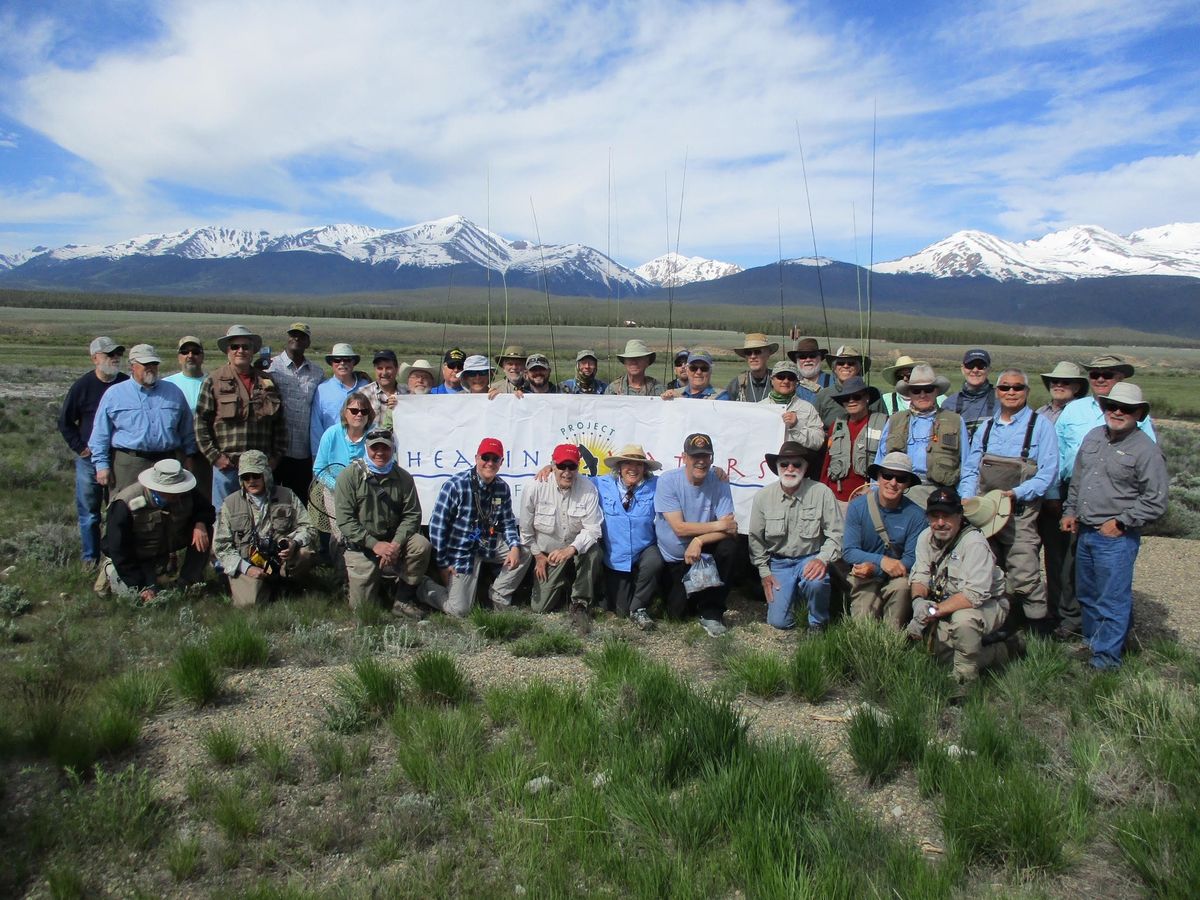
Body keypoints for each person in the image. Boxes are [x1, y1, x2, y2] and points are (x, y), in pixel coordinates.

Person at [1061, 383, 1168, 670]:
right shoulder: (1094, 436)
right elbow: (1078, 480)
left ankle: (1106, 661)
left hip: (1116, 537)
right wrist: (1070, 510)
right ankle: (1095, 645)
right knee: (1088, 595)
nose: (1117, 412)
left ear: (1139, 413)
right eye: (1112, 406)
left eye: (1126, 408)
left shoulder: (1146, 450)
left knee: (1112, 599)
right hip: (1085, 531)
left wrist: (1121, 522)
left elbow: (1155, 499)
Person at [1053, 354, 1156, 640]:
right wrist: (1068, 507)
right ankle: (1090, 638)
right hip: (1078, 505)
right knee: (1079, 579)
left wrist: (1122, 522)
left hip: (1116, 516)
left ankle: (1111, 652)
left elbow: (1152, 492)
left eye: (1107, 374)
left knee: (1111, 589)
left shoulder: (1143, 438)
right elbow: (1066, 458)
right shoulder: (1080, 418)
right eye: (1095, 374)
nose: (1100, 379)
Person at [959, 368, 1058, 630]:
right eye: (1005, 388)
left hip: (1020, 514)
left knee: (1024, 573)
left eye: (1017, 388)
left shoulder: (1040, 427)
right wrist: (967, 498)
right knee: (987, 571)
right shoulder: (987, 427)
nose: (1011, 392)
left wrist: (1017, 493)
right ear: (997, 391)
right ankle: (997, 627)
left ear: (1026, 392)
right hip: (986, 514)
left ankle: (1039, 631)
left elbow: (1048, 473)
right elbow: (971, 467)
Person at [908, 487, 1013, 700]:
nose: (940, 523)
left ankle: (965, 681)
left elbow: (973, 595)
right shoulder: (924, 538)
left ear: (959, 516)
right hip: (944, 604)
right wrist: (918, 602)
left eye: (946, 516)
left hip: (986, 604)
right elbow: (919, 575)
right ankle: (1000, 651)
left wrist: (932, 611)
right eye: (934, 516)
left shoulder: (974, 543)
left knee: (964, 620)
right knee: (940, 656)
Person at [334, 430, 443, 614]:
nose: (379, 452)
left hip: (393, 542)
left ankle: (403, 599)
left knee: (421, 545)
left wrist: (395, 544)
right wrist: (375, 545)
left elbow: (412, 515)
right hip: (362, 545)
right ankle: (359, 583)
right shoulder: (348, 476)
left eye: (385, 447)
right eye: (374, 447)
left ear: (392, 449)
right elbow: (345, 521)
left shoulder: (404, 478)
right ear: (366, 448)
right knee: (362, 611)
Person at [428, 438, 531, 616]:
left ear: (501, 462)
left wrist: (514, 546)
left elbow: (507, 522)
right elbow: (437, 527)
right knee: (459, 610)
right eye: (485, 457)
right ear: (476, 458)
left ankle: (498, 594)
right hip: (462, 549)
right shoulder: (456, 485)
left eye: (495, 459)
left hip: (489, 542)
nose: (490, 463)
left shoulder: (502, 488)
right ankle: (423, 586)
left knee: (526, 550)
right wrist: (443, 564)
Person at [749, 441, 843, 632]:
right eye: (784, 464)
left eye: (797, 464)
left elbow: (837, 534)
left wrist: (822, 560)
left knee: (817, 582)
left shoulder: (822, 492)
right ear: (777, 467)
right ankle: (797, 599)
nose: (790, 469)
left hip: (810, 558)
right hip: (779, 563)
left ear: (806, 467)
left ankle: (818, 622)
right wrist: (764, 572)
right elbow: (755, 539)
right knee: (778, 623)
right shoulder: (763, 497)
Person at [654, 433, 738, 636]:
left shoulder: (719, 480)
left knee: (730, 546)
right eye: (695, 456)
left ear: (712, 458)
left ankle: (712, 611)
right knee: (677, 614)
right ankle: (696, 598)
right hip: (675, 558)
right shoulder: (668, 481)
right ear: (684, 457)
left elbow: (732, 529)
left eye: (706, 456)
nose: (701, 461)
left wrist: (699, 540)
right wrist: (718, 524)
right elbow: (680, 528)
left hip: (702, 551)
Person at [195, 325, 288, 508]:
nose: (241, 351)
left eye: (246, 347)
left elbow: (280, 424)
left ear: (253, 351)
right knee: (223, 518)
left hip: (260, 466)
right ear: (227, 351)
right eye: (235, 347)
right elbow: (200, 423)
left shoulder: (267, 382)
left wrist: (275, 458)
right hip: (228, 465)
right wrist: (215, 457)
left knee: (262, 519)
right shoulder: (213, 381)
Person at [89, 344, 198, 493]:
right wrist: (102, 466)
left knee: (170, 511)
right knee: (125, 508)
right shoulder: (114, 394)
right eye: (145, 364)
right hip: (129, 464)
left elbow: (187, 430)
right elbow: (100, 433)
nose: (150, 368)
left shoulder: (173, 392)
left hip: (167, 462)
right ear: (132, 366)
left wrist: (190, 457)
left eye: (154, 364)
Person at [58, 336, 128, 566]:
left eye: (117, 354)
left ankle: (116, 560)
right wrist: (81, 448)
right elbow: (65, 421)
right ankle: (90, 560)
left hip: (119, 459)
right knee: (90, 514)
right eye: (109, 355)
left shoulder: (126, 384)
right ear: (94, 358)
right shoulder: (82, 387)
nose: (114, 358)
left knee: (120, 512)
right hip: (90, 463)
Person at [213, 450, 315, 607]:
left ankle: (292, 586)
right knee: (251, 603)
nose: (251, 481)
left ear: (266, 474)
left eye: (256, 475)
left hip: (282, 559)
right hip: (248, 562)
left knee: (304, 554)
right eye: (246, 477)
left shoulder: (287, 495)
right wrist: (246, 568)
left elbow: (308, 527)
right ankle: (262, 588)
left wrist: (294, 543)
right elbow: (221, 546)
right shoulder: (230, 504)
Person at [102, 459, 214, 602]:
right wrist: (139, 584)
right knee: (139, 598)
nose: (178, 494)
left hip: (165, 547)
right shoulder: (124, 503)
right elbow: (118, 548)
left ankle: (188, 580)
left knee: (205, 530)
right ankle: (110, 569)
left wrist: (200, 523)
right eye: (172, 491)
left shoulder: (187, 493)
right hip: (134, 557)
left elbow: (207, 510)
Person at [518, 443, 602, 626]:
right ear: (553, 465)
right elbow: (525, 528)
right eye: (561, 466)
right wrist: (538, 555)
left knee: (594, 551)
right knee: (539, 607)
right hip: (548, 554)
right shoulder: (535, 486)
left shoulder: (588, 489)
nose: (567, 472)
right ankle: (563, 585)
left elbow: (593, 529)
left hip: (575, 549)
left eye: (572, 466)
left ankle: (580, 603)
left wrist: (571, 549)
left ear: (578, 467)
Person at [841, 452, 926, 629]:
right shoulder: (858, 507)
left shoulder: (917, 516)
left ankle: (893, 639)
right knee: (862, 629)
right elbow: (849, 551)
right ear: (878, 478)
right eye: (887, 475)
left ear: (908, 483)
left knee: (902, 587)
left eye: (900, 478)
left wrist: (878, 569)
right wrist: (881, 562)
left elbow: (910, 559)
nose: (893, 483)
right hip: (864, 574)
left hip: (898, 577)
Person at [1034, 361, 1089, 634]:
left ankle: (1071, 617)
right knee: (1051, 556)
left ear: (1077, 387)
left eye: (1066, 382)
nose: (1059, 385)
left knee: (1071, 557)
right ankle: (1052, 612)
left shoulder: (1086, 414)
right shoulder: (1039, 413)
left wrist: (1057, 495)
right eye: (1055, 381)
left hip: (1068, 489)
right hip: (1038, 492)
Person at [875, 364, 968, 507]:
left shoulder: (955, 421)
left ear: (936, 391)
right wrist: (875, 493)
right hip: (900, 492)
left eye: (928, 389)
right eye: (916, 390)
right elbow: (880, 461)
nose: (922, 395)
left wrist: (965, 498)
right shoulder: (895, 420)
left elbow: (966, 466)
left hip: (941, 494)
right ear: (909, 393)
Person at [595, 444, 664, 629]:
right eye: (627, 463)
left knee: (655, 559)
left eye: (638, 464)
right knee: (620, 610)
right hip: (615, 557)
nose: (632, 468)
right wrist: (549, 468)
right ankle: (627, 604)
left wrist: (715, 472)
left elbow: (684, 478)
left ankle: (639, 608)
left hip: (644, 550)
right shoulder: (601, 484)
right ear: (619, 467)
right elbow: (573, 480)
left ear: (645, 468)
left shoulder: (657, 485)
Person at [314, 393, 376, 553]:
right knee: (341, 535)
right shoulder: (331, 434)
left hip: (368, 493)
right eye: (354, 411)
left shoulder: (375, 435)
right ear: (345, 412)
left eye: (364, 411)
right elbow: (319, 469)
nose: (359, 414)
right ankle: (340, 572)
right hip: (334, 492)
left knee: (366, 532)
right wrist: (339, 488)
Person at [268, 322, 323, 503]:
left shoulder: (317, 373)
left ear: (308, 342)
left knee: (299, 501)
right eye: (293, 334)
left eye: (301, 336)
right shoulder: (270, 366)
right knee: (271, 498)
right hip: (274, 448)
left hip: (302, 450)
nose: (296, 338)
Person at [819, 376, 888, 506]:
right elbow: (827, 462)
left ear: (867, 398)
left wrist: (875, 488)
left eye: (856, 397)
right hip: (836, 499)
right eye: (846, 398)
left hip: (870, 497)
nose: (851, 401)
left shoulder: (884, 423)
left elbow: (887, 463)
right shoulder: (836, 425)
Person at [309, 342, 371, 458]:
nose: (342, 363)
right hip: (332, 451)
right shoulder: (322, 389)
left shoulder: (366, 386)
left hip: (362, 452)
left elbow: (373, 419)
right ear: (331, 363)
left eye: (347, 359)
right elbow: (316, 426)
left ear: (353, 363)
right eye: (337, 360)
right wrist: (316, 456)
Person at [759, 360, 824, 450]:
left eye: (791, 377)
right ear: (772, 380)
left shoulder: (808, 408)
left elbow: (818, 442)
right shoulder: (760, 408)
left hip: (795, 462)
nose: (786, 381)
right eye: (781, 377)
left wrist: (796, 426)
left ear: (796, 382)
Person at [814, 345, 885, 426]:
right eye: (840, 363)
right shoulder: (823, 396)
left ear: (859, 368)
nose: (846, 366)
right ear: (834, 369)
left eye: (851, 363)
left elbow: (884, 424)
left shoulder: (874, 395)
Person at [945, 349, 996, 440]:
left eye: (981, 366)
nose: (975, 370)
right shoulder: (949, 404)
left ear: (989, 370)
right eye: (970, 366)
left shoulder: (1002, 401)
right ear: (962, 369)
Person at [725, 333, 778, 402]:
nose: (752, 356)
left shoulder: (779, 380)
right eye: (748, 353)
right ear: (746, 357)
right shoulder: (737, 383)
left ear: (767, 354)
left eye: (757, 352)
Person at [362, 349, 405, 427]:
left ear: (396, 369)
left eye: (388, 368)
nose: (384, 373)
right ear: (374, 369)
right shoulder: (364, 393)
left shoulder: (407, 393)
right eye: (380, 368)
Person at [163, 335, 206, 412]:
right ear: (178, 357)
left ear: (202, 356)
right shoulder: (166, 384)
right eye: (185, 352)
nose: (190, 356)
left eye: (195, 352)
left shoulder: (213, 382)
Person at [661, 350, 727, 400]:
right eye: (693, 368)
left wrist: (681, 400)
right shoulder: (674, 393)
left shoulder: (721, 396)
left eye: (704, 368)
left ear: (710, 371)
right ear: (687, 370)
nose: (698, 372)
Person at [786, 337, 831, 404]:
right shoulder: (789, 383)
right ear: (796, 360)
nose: (808, 360)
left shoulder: (833, 381)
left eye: (812, 356)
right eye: (802, 356)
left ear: (820, 358)